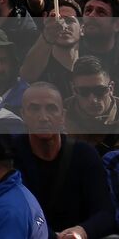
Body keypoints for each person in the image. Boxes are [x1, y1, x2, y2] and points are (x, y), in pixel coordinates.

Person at [10, 82, 114, 239]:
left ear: (63, 115)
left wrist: (81, 232)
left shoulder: (84, 154)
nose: (43, 117)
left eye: (51, 108)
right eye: (34, 108)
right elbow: (10, 211)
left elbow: (105, 212)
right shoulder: (10, 155)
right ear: (23, 114)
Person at [66, 54, 119, 151]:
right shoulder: (59, 114)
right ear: (74, 90)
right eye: (84, 91)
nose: (93, 100)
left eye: (99, 90)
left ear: (111, 88)